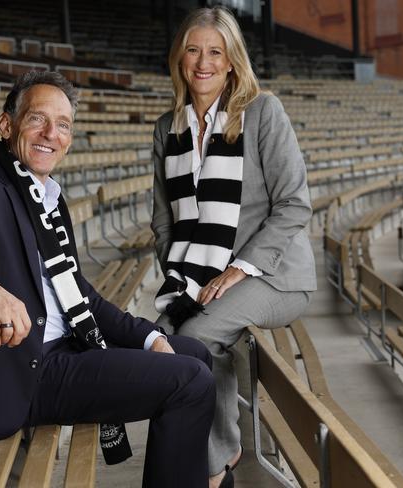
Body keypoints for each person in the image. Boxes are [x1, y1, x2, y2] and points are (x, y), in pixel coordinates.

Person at [0, 71, 215, 487]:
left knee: (194, 355)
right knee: (190, 381)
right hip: (24, 373)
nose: (50, 134)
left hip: (68, 350)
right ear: (7, 125)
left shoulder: (48, 200)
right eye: (37, 119)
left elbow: (81, 296)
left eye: (62, 125)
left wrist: (150, 338)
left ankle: (212, 478)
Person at [151, 7, 317, 488]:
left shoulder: (262, 112)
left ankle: (214, 463)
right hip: (197, 275)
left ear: (231, 61)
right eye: (193, 50)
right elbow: (164, 221)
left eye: (215, 52)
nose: (203, 62)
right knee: (156, 342)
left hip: (273, 276)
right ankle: (181, 454)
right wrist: (185, 277)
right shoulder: (168, 129)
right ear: (180, 58)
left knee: (198, 337)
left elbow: (293, 204)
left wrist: (238, 269)